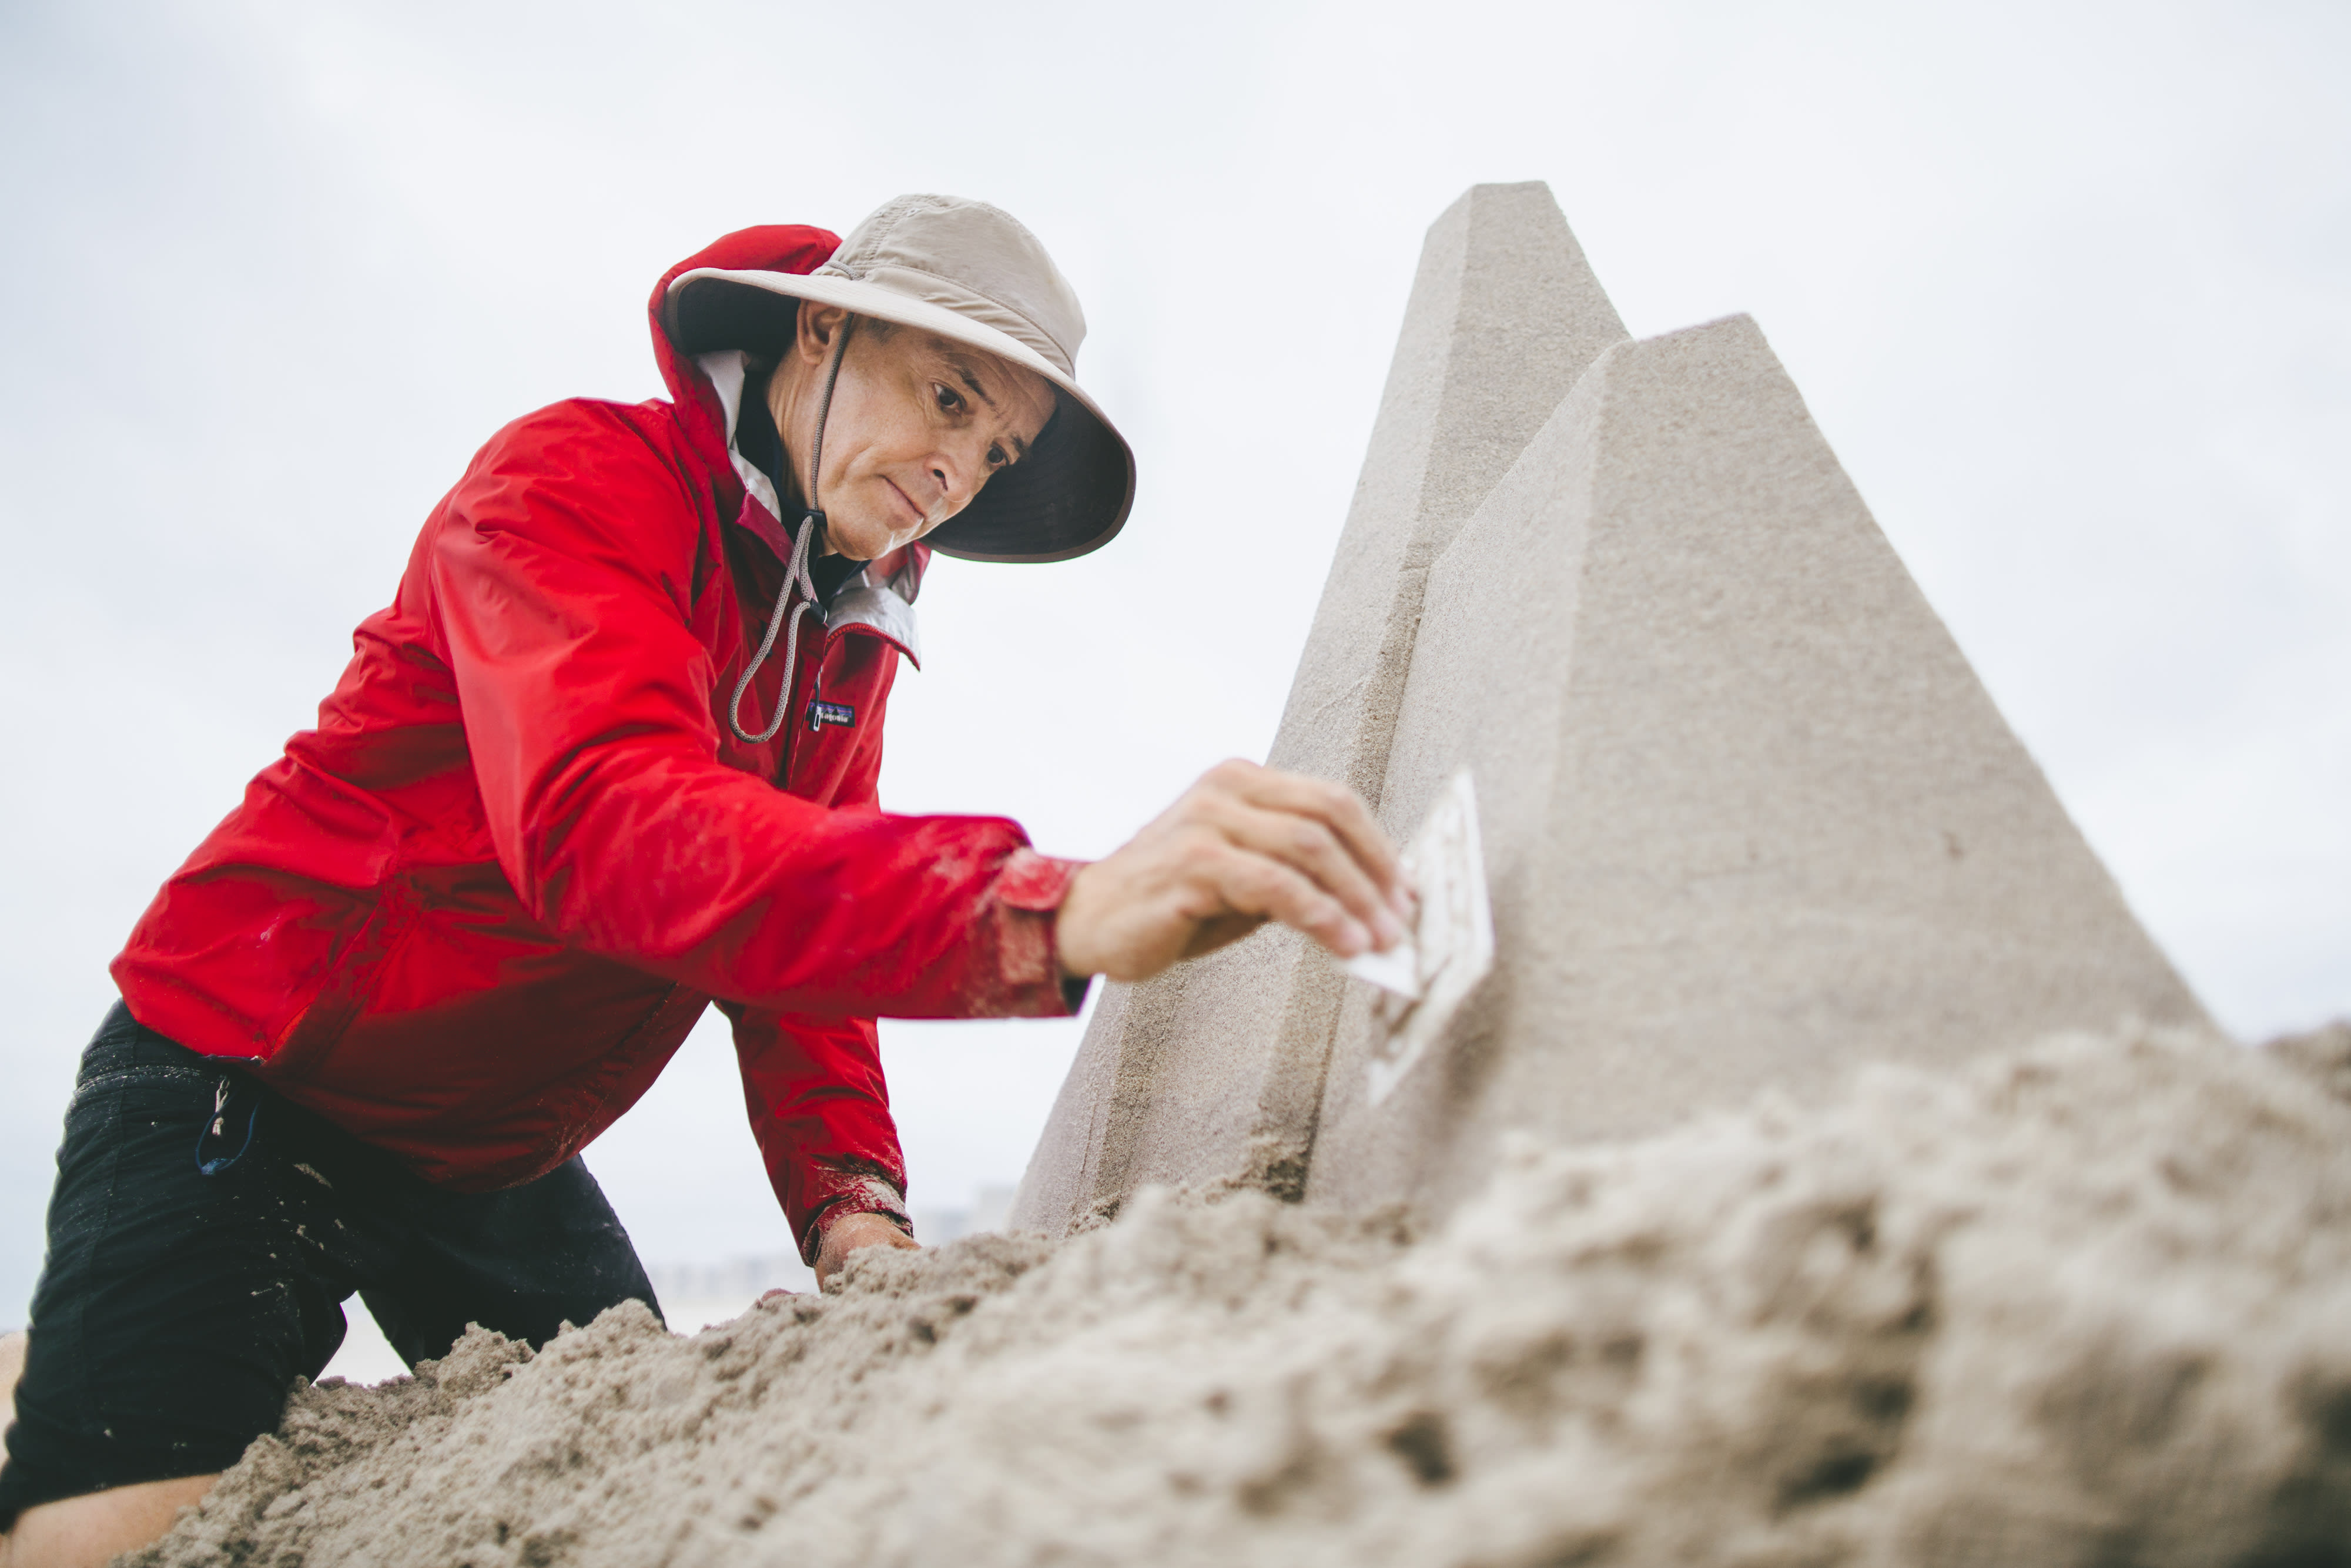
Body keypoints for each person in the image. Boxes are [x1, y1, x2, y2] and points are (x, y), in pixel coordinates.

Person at [0, 194, 1408, 1566]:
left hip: (492, 1151)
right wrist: (1045, 908)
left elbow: (791, 959)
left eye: (993, 448)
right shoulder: (574, 477)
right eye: (948, 394)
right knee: (117, 1536)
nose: (957, 468)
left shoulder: (848, 640)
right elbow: (606, 823)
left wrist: (854, 1209)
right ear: (820, 337)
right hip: (253, 1066)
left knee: (615, 1465)